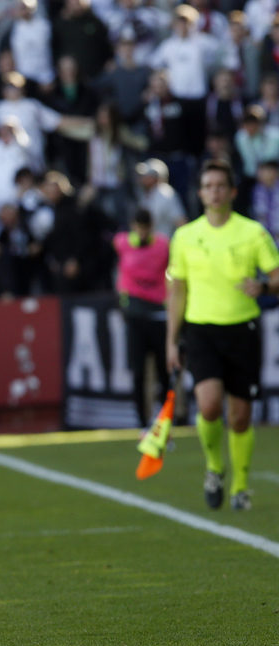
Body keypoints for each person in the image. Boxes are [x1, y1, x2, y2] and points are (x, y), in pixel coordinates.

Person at [166, 160, 279, 512]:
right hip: (201, 330)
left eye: (220, 185)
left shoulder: (253, 232)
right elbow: (177, 290)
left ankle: (240, 486)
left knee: (240, 417)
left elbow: (276, 275)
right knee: (210, 405)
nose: (214, 191)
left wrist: (262, 285)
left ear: (232, 192)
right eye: (208, 186)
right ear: (200, 193)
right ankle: (215, 467)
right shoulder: (185, 236)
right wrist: (172, 338)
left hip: (242, 329)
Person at [115, 209, 171, 428]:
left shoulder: (163, 245)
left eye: (145, 226)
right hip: (135, 317)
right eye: (138, 226)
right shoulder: (123, 243)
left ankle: (166, 422)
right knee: (138, 372)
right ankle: (142, 423)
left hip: (158, 314)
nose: (142, 231)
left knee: (163, 373)